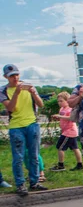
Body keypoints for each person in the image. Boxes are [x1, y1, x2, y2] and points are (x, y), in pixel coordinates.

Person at [0, 64, 47, 196]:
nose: (15, 78)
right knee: (18, 157)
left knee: (34, 155)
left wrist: (33, 93)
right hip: (16, 126)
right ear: (6, 77)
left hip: (32, 123)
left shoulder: (29, 86)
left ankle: (35, 181)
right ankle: (20, 184)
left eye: (16, 75)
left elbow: (41, 104)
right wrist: (16, 93)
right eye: (11, 76)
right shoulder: (3, 90)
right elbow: (11, 108)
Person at [50, 92, 83, 171]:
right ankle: (79, 164)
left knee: (60, 147)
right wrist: (58, 117)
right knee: (75, 148)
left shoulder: (70, 109)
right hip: (65, 130)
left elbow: (71, 118)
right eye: (58, 101)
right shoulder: (62, 109)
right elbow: (63, 118)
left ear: (67, 101)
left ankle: (61, 165)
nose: (59, 103)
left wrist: (60, 116)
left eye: (61, 101)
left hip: (70, 131)